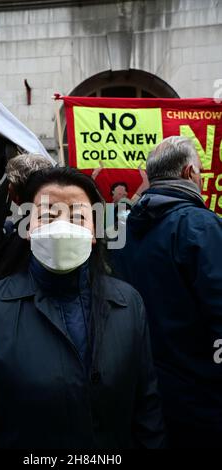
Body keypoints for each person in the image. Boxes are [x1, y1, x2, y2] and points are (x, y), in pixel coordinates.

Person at [0, 167, 165, 449]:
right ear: (28, 230)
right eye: (47, 215)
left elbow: (147, 411)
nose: (62, 226)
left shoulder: (128, 303)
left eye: (78, 216)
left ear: (94, 232)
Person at [111, 136, 222, 448]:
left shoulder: (123, 230)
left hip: (142, 390)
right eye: (200, 172)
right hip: (201, 397)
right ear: (188, 173)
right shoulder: (202, 226)